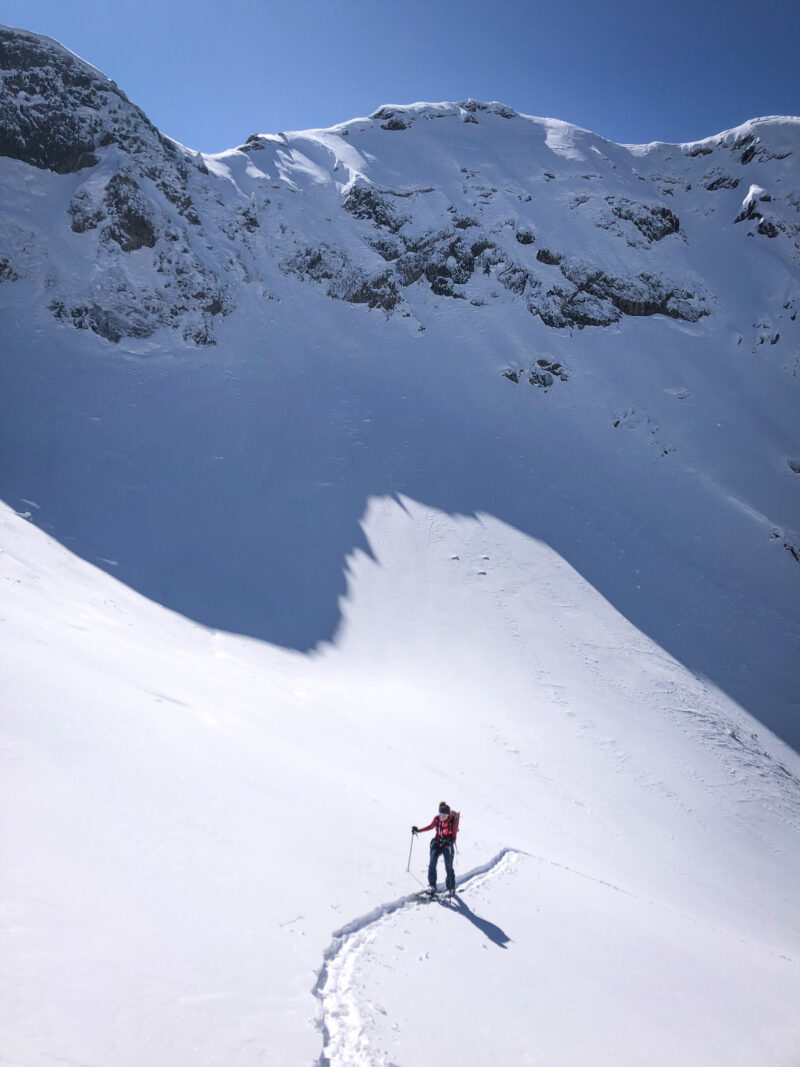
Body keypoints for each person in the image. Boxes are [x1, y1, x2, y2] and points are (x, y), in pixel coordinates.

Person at [412, 801, 458, 896]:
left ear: (448, 815)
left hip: (447, 846)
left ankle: (451, 888)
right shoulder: (437, 819)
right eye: (440, 814)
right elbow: (430, 826)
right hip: (437, 842)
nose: (442, 817)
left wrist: (450, 841)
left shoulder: (452, 822)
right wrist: (419, 830)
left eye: (444, 815)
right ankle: (432, 885)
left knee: (448, 867)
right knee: (432, 862)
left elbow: (454, 837)